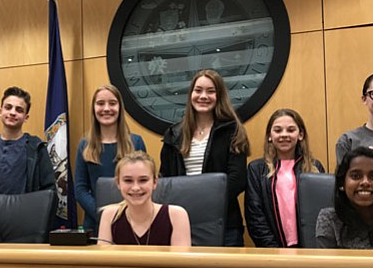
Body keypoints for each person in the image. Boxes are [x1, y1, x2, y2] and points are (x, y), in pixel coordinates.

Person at [160, 69, 250, 246]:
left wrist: (202, 202)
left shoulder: (232, 131)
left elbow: (237, 179)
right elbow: (165, 179)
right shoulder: (174, 134)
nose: (203, 96)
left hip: (225, 224)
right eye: (198, 90)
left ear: (219, 96)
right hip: (182, 221)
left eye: (210, 91)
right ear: (191, 94)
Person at [246, 108, 325, 247]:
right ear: (270, 135)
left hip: (310, 250)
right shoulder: (257, 169)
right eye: (277, 130)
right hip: (272, 251)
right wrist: (273, 250)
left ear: (300, 134)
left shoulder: (314, 167)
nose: (284, 135)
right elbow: (255, 215)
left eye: (290, 130)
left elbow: (323, 213)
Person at [75, 85, 146, 232]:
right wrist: (103, 214)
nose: (106, 108)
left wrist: (123, 214)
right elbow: (80, 190)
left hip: (132, 221)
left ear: (120, 107)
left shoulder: (136, 142)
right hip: (95, 223)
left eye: (112, 103)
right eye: (100, 103)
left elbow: (144, 184)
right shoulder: (84, 145)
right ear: (94, 108)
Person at [0, 86, 55, 194]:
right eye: (8, 107)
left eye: (19, 110)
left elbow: (49, 189)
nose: (13, 112)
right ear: (0, 111)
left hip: (24, 210)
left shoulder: (36, 148)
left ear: (26, 117)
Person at [97, 151, 190, 246]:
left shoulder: (176, 216)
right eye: (128, 180)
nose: (135, 188)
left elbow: (182, 260)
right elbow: (103, 260)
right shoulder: (109, 215)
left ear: (154, 182)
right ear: (118, 183)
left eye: (143, 180)